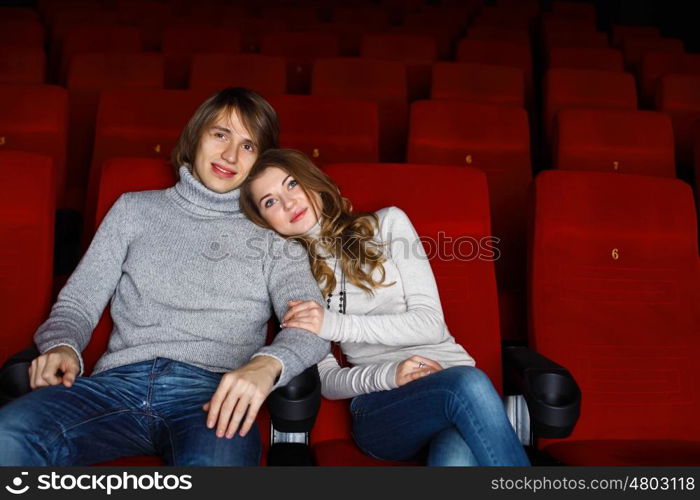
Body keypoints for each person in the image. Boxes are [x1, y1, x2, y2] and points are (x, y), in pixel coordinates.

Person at [0, 89, 329, 466]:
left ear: (259, 161)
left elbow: (311, 324)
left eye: (249, 146)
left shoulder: (275, 239)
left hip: (214, 395)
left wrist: (268, 364)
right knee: (7, 435)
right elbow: (77, 303)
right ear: (196, 135)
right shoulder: (132, 210)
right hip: (113, 387)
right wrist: (61, 345)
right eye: (220, 134)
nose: (230, 156)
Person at [240, 149, 530, 466]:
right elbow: (328, 381)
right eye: (270, 202)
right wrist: (390, 375)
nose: (288, 203)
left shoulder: (388, 223)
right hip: (382, 408)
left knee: (455, 452)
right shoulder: (291, 278)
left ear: (312, 180)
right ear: (263, 220)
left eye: (292, 184)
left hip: (451, 383)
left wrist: (332, 323)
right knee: (469, 385)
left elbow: (429, 324)